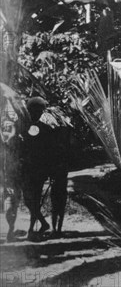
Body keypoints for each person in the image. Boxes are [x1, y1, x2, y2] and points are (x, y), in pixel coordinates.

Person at [20, 97, 53, 240]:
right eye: (34, 110)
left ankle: (31, 230)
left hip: (38, 170)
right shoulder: (23, 128)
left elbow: (50, 152)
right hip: (26, 169)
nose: (37, 113)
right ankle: (44, 223)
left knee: (34, 200)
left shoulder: (46, 129)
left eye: (39, 111)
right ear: (29, 111)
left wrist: (50, 170)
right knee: (28, 200)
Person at [2, 116, 21, 242]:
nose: (7, 129)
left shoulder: (16, 142)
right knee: (7, 206)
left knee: (12, 206)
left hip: (14, 179)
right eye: (5, 127)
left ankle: (10, 230)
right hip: (4, 179)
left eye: (10, 127)